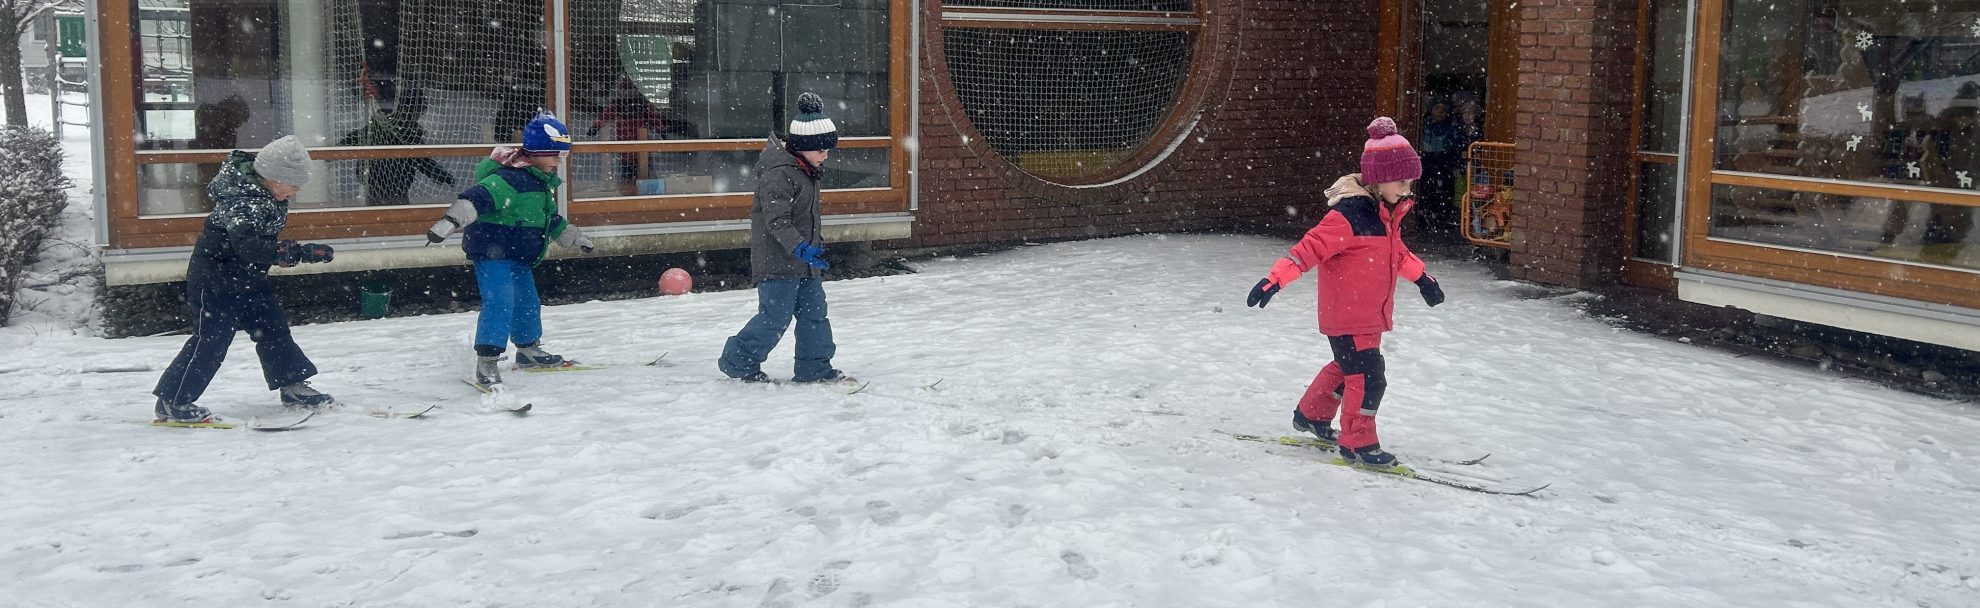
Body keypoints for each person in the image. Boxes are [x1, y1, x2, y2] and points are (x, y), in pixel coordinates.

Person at [1244, 117, 1446, 469]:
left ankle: (1311, 415)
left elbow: (1396, 254)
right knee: (1369, 379)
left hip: (1367, 315)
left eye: (1410, 182)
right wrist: (1275, 279)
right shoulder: (1349, 216)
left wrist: (1423, 279)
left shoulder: (1385, 215)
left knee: (1348, 368)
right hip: (1348, 315)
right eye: (1401, 181)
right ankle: (1358, 444)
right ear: (1378, 179)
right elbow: (1308, 249)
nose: (1407, 189)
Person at [151, 135, 339, 424]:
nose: (296, 190)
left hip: (249, 279)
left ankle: (292, 386)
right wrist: (299, 252)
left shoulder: (266, 194)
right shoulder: (241, 202)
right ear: (273, 177)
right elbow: (250, 248)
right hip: (215, 283)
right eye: (293, 183)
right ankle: (173, 400)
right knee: (211, 342)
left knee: (274, 330)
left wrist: (293, 252)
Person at [427, 113, 595, 388]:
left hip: (519, 255)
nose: (558, 160)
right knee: (500, 302)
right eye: (555, 154)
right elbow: (476, 198)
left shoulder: (540, 182)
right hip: (493, 254)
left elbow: (548, 219)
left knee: (527, 303)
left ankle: (528, 350)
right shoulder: (509, 179)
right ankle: (487, 362)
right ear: (536, 152)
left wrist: (574, 237)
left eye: (563, 154)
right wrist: (448, 223)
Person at [718, 92, 849, 384]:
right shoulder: (779, 174)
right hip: (777, 262)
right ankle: (738, 361)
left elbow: (807, 216)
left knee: (815, 315)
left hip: (806, 263)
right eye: (821, 149)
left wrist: (815, 244)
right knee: (775, 317)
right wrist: (799, 247)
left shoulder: (808, 171)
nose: (826, 155)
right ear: (803, 147)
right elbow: (777, 220)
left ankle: (814, 368)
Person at [337, 89, 456, 205]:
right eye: (416, 111)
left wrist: (440, 175)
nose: (416, 115)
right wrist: (441, 175)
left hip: (389, 185)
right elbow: (424, 161)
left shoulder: (401, 130)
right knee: (389, 209)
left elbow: (423, 160)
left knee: (385, 208)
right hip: (387, 184)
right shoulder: (400, 131)